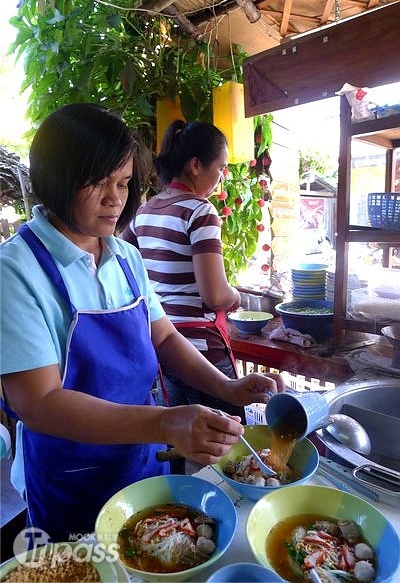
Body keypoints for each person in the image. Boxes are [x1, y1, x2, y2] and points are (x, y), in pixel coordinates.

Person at [0, 104, 285, 542]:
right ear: (57, 179)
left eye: (124, 182)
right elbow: (38, 403)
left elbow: (165, 336)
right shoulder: (15, 270)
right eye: (99, 183)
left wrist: (226, 388)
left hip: (141, 461)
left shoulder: (125, 256)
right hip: (71, 476)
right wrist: (164, 422)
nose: (116, 198)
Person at [121, 120, 244, 419]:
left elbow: (126, 271)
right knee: (230, 447)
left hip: (165, 352)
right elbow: (214, 295)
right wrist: (235, 296)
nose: (221, 177)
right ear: (195, 166)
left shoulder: (144, 212)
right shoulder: (201, 212)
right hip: (204, 352)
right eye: (220, 168)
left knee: (180, 443)